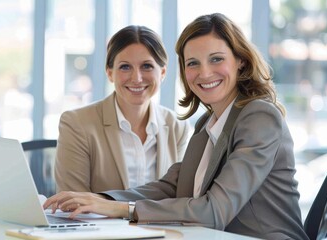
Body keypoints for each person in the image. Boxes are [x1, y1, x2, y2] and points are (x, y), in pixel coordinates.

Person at [44, 13, 309, 240]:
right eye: (193, 63)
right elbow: (172, 187)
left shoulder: (260, 116)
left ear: (240, 60)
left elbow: (214, 212)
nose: (204, 73)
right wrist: (102, 201)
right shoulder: (209, 122)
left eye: (216, 59)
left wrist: (124, 209)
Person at [54, 25, 191, 193]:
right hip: (96, 221)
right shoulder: (77, 124)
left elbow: (180, 198)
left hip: (158, 221)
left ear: (162, 72)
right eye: (125, 67)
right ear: (109, 73)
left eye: (146, 66)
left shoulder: (177, 128)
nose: (137, 78)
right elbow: (72, 202)